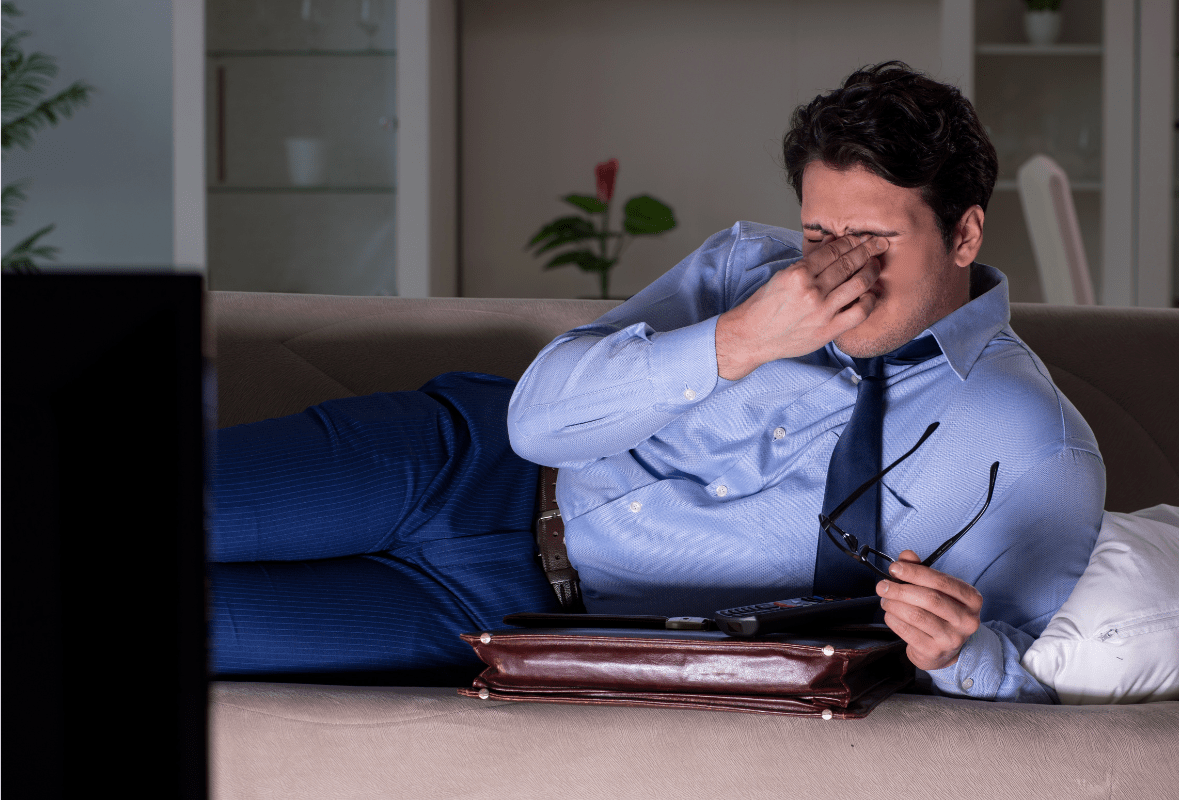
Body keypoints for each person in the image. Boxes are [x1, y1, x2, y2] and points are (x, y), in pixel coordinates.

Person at [209, 62, 1104, 703]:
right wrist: (738, 339)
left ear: (964, 234)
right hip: (462, 464)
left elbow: (1030, 668)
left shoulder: (1034, 444)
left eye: (875, 239)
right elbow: (536, 422)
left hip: (511, 619)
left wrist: (957, 653)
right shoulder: (745, 270)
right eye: (820, 233)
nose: (839, 268)